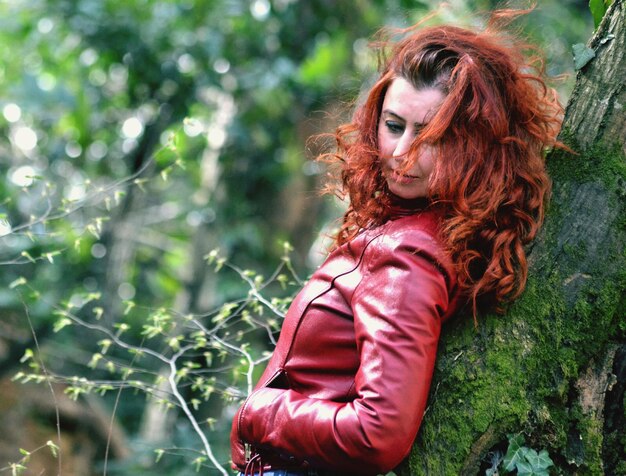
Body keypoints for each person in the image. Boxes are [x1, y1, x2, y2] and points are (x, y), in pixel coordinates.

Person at [231, 9, 563, 476]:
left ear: (476, 144)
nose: (403, 153)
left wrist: (259, 414)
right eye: (393, 125)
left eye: (432, 135)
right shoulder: (424, 229)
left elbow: (377, 434)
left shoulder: (408, 252)